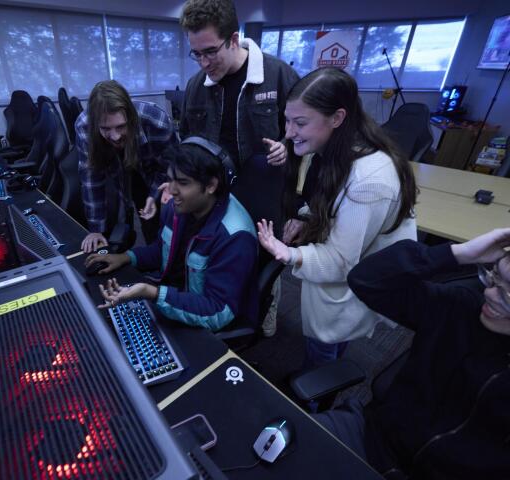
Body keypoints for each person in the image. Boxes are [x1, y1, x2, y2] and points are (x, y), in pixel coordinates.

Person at [312, 228, 510, 479]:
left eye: (507, 294)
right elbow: (367, 280)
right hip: (371, 438)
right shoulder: (464, 307)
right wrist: (459, 253)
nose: (490, 294)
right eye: (494, 278)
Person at [257, 67, 418, 368]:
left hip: (347, 282)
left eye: (300, 123)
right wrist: (306, 217)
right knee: (326, 346)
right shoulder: (337, 151)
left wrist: (289, 254)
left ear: (337, 118)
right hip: (340, 279)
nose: (289, 133)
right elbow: (331, 202)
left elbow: (341, 261)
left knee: (323, 358)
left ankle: (318, 404)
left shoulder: (370, 180)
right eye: (287, 121)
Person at [178, 0, 300, 336]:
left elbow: (307, 136)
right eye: (196, 53)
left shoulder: (277, 75)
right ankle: (214, 310)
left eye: (210, 52)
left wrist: (287, 148)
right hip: (216, 194)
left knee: (263, 262)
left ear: (234, 39)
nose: (203, 63)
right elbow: (187, 141)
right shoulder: (195, 86)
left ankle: (265, 311)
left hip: (263, 193)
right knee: (218, 256)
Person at [85, 139, 258, 331]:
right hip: (174, 298)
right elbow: (163, 250)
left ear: (211, 185)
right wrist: (126, 257)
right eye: (170, 179)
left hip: (204, 320)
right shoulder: (179, 207)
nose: (171, 190)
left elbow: (218, 311)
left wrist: (152, 293)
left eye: (182, 183)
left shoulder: (235, 237)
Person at [76, 80, 177, 253]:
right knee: (133, 214)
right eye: (105, 128)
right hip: (117, 169)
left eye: (121, 126)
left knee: (159, 222)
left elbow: (171, 167)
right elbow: (91, 178)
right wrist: (95, 229)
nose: (114, 137)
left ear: (130, 116)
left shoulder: (155, 120)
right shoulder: (84, 126)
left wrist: (154, 195)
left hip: (153, 170)